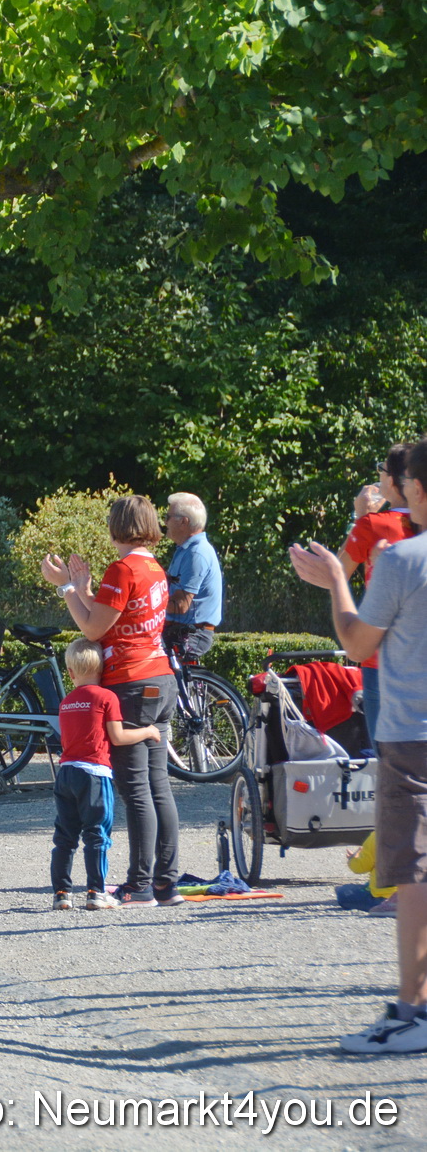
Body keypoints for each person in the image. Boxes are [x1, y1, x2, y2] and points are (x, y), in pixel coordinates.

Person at [289, 438, 427, 1054]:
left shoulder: (400, 559)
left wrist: (335, 583)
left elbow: (354, 643)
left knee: (416, 870)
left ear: (414, 488)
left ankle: (413, 1013)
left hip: (412, 735)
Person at [42, 494, 178, 907]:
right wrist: (84, 590)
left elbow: (94, 629)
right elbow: (112, 619)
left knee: (135, 787)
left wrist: (66, 587)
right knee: (158, 785)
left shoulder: (122, 568)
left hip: (131, 681)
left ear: (115, 525)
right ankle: (164, 882)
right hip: (160, 676)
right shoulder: (153, 566)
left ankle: (139, 885)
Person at [50, 638, 162, 912]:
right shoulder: (106, 697)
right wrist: (149, 731)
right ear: (102, 669)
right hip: (94, 774)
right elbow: (118, 736)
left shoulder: (66, 702)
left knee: (65, 837)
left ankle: (62, 893)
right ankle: (95, 892)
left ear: (71, 672)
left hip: (66, 774)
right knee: (96, 835)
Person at [341, 444, 420, 743]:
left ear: (391, 481)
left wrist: (359, 517)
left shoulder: (373, 524)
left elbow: (335, 574)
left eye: (381, 470)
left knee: (384, 754)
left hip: (381, 656)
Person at [162, 492, 223, 662]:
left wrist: (145, 603)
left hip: (190, 634)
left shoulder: (196, 553)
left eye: (168, 517)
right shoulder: (185, 549)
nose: (165, 522)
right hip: (182, 631)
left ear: (184, 521)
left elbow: (181, 605)